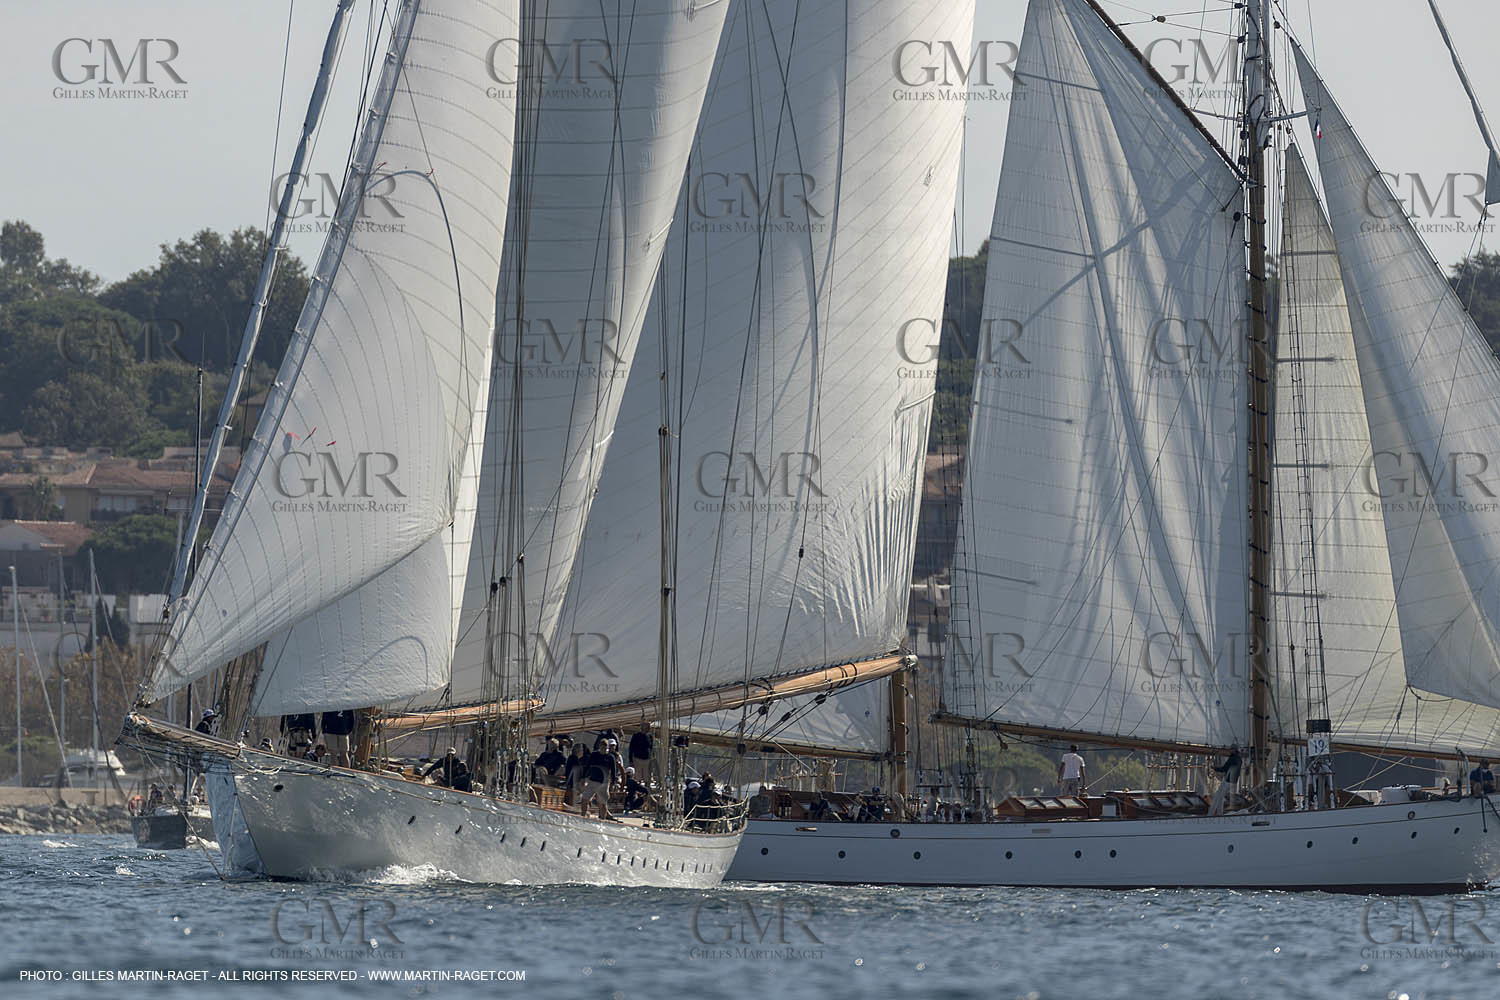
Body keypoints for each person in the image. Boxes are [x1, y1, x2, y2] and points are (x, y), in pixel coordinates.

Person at [578, 741, 616, 819]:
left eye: (605, 748)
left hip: (604, 783)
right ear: (599, 747)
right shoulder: (594, 755)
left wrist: (613, 782)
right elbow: (587, 766)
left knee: (603, 803)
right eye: (602, 747)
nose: (603, 749)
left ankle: (602, 819)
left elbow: (613, 771)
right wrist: (583, 777)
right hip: (592, 781)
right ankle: (583, 816)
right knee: (584, 799)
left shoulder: (610, 757)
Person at [1209, 746, 1243, 816]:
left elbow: (1224, 769)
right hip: (1233, 781)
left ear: (1234, 750)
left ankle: (1211, 814)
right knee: (1220, 797)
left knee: (1217, 797)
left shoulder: (1232, 758)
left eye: (1231, 749)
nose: (1230, 751)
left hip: (1227, 780)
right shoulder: (1239, 759)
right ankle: (1219, 813)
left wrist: (1214, 768)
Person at [629, 722, 653, 788]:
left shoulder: (650, 736)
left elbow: (651, 747)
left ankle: (646, 790)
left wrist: (650, 757)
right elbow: (631, 748)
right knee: (638, 777)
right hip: (637, 758)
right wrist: (631, 760)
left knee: (647, 777)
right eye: (647, 727)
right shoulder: (636, 736)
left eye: (649, 727)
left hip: (647, 759)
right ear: (642, 727)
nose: (649, 729)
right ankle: (638, 789)